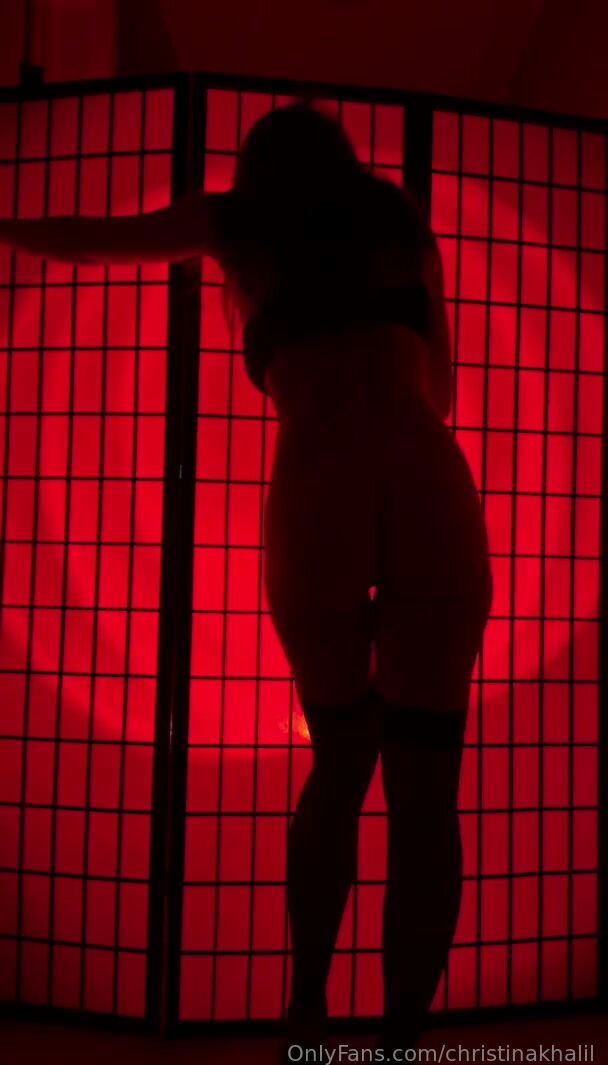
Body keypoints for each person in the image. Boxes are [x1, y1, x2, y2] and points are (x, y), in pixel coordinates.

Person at [0, 101, 494, 1057]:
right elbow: (442, 385)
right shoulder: (393, 217)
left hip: (317, 491)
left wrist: (4, 225)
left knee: (339, 764)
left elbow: (94, 242)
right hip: (427, 480)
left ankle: (306, 1009)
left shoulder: (240, 221)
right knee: (429, 789)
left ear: (257, 167)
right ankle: (402, 1039)